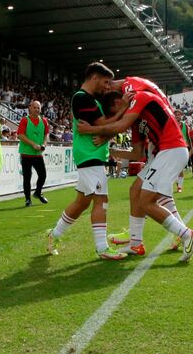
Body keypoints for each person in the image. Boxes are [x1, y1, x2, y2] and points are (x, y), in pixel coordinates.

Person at [83, 88, 193, 262]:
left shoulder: (141, 98)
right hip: (161, 154)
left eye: (114, 113)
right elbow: (137, 154)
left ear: (119, 104)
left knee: (147, 201)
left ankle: (186, 234)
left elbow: (121, 124)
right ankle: (135, 243)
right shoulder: (135, 123)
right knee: (135, 190)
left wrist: (95, 131)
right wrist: (114, 151)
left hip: (171, 150)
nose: (116, 117)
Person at [46, 63, 127, 260]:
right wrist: (122, 109)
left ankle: (53, 235)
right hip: (90, 156)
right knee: (102, 200)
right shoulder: (82, 98)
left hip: (91, 155)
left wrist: (107, 135)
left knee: (82, 202)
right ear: (94, 78)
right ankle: (102, 248)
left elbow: (104, 128)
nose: (107, 86)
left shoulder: (90, 99)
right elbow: (102, 125)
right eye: (105, 82)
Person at [17, 100, 50, 207]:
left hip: (38, 154)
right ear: (30, 108)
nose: (37, 110)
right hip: (26, 154)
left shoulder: (44, 121)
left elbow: (46, 135)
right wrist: (32, 144)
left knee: (43, 175)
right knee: (27, 177)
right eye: (35, 107)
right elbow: (20, 135)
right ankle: (27, 199)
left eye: (38, 108)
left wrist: (44, 144)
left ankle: (38, 192)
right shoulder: (24, 120)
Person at [174, 109, 191, 193]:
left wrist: (191, 148)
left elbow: (188, 137)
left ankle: (179, 187)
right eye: (176, 114)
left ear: (181, 116)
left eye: (179, 114)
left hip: (182, 148)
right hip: (172, 148)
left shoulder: (185, 126)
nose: (177, 116)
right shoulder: (171, 125)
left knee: (180, 168)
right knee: (173, 169)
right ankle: (177, 183)